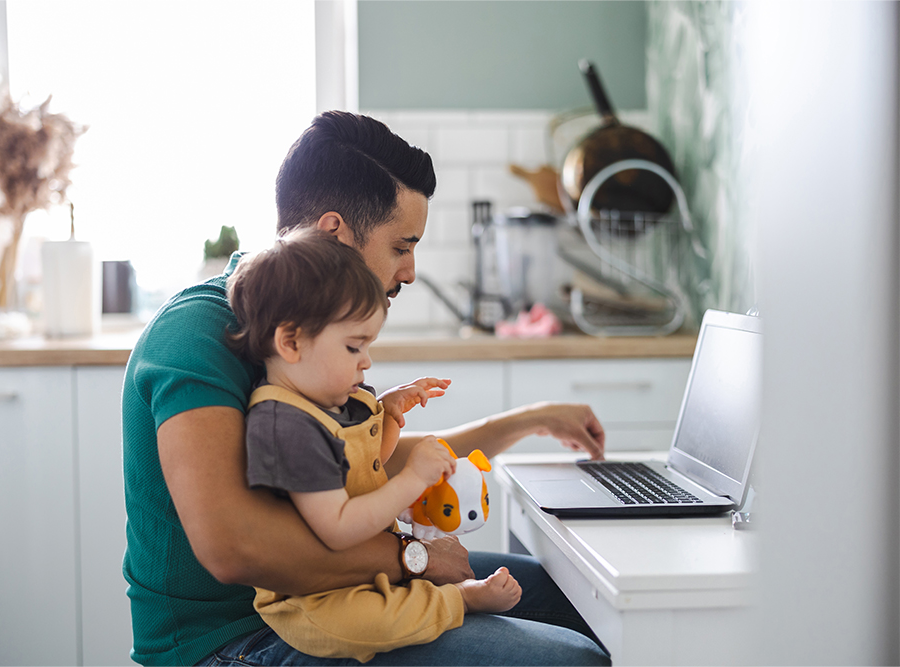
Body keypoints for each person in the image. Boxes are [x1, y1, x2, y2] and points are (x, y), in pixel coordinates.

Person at [122, 110, 609, 667]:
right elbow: (235, 548)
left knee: (574, 600)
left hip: (326, 597)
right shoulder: (197, 335)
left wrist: (529, 421)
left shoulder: (315, 325)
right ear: (335, 233)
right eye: (402, 246)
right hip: (231, 640)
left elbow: (367, 462)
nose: (410, 271)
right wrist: (414, 557)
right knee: (567, 659)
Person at [226, 227, 522, 662]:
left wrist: (388, 420)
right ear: (291, 342)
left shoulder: (322, 402)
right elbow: (340, 525)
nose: (366, 361)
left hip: (357, 571)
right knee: (372, 623)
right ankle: (461, 600)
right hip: (318, 600)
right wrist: (413, 478)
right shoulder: (285, 425)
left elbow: (356, 473)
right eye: (353, 346)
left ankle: (445, 593)